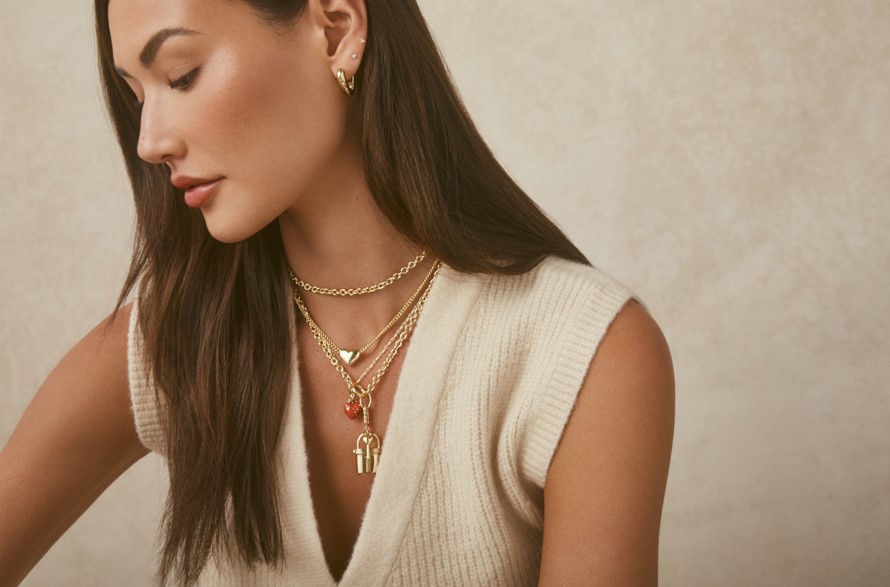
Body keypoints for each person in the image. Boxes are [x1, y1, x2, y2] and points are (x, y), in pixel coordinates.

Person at [0, 0, 675, 585]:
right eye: (137, 94)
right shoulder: (170, 338)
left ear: (336, 29)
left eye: (182, 74)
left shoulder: (582, 352)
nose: (150, 141)